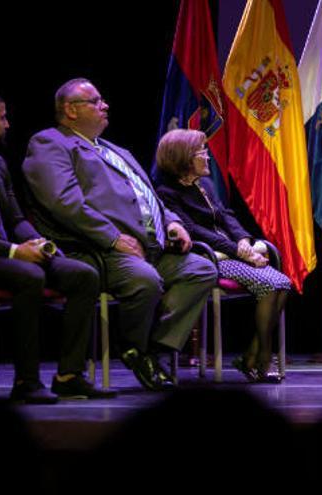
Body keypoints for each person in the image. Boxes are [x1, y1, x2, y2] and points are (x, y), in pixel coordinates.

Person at [22, 79, 217, 391]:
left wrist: (171, 221)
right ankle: (133, 348)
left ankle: (158, 349)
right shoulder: (50, 143)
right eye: (96, 101)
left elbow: (147, 194)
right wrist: (112, 237)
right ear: (71, 110)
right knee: (145, 281)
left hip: (149, 246)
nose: (105, 106)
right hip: (100, 250)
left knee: (202, 269)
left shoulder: (116, 150)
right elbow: (64, 202)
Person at [0, 91, 113, 403]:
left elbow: (15, 218)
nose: (8, 124)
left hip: (2, 256)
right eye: (2, 117)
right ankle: (26, 381)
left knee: (83, 274)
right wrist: (15, 252)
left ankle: (69, 375)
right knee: (30, 276)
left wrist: (39, 242)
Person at [154, 129, 291, 382]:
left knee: (283, 282)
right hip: (208, 257)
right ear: (184, 158)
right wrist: (238, 251)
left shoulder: (205, 185)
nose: (207, 157)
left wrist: (243, 240)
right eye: (201, 152)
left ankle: (252, 355)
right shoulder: (166, 192)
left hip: (232, 251)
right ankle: (260, 357)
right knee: (271, 285)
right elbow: (194, 231)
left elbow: (226, 215)